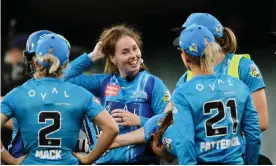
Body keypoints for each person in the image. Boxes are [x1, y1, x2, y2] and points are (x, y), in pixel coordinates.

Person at [107, 24, 262, 165]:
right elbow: (254, 135)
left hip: (201, 159)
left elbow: (185, 142)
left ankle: (119, 141)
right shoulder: (239, 86)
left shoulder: (184, 92)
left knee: (165, 129)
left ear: (184, 56)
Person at [1, 34, 119, 165]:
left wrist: (10, 160)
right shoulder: (80, 93)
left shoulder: (19, 93)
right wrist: (89, 159)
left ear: (36, 61)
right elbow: (112, 128)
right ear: (67, 63)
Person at [64, 24, 170, 164]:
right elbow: (63, 79)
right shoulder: (104, 82)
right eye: (125, 52)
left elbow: (168, 122)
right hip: (104, 162)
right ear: (113, 58)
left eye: (135, 48)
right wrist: (93, 56)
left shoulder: (153, 84)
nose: (133, 55)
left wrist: (140, 120)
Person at [172, 13, 268, 132]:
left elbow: (261, 121)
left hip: (239, 149)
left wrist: (223, 139)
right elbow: (170, 117)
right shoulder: (187, 78)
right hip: (204, 150)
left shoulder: (243, 66)